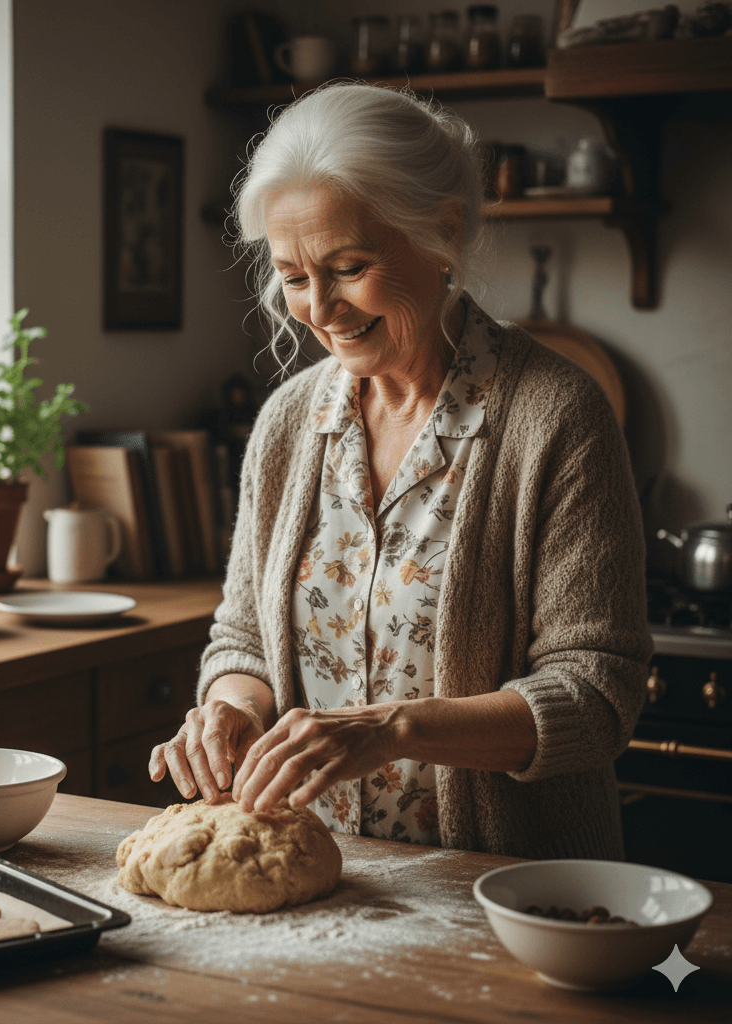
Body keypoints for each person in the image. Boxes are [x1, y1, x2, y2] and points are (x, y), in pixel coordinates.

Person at [149, 83, 651, 860]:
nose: (319, 307)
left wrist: (394, 728)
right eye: (291, 275)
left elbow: (596, 695)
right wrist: (230, 707)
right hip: (325, 879)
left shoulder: (558, 415)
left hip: (512, 889)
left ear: (442, 232)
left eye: (349, 267)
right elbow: (243, 637)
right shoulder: (289, 423)